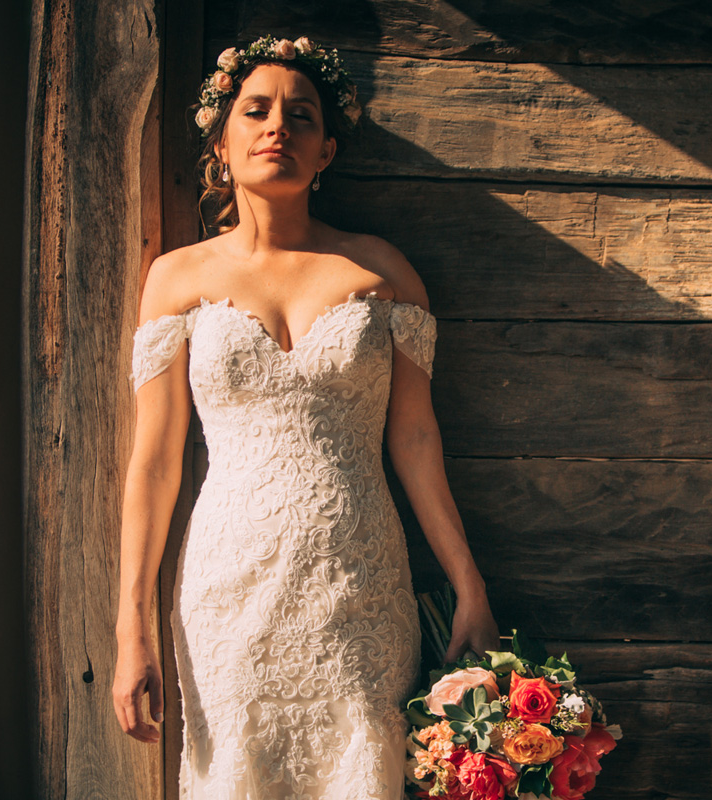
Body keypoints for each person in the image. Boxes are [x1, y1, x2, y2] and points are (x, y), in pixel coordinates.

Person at [111, 34, 500, 798]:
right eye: (255, 111)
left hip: (358, 582)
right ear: (222, 141)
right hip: (228, 585)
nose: (276, 127)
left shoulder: (381, 272)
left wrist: (469, 584)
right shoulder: (176, 278)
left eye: (300, 115)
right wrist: (133, 628)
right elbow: (155, 461)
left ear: (325, 151)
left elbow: (417, 440)